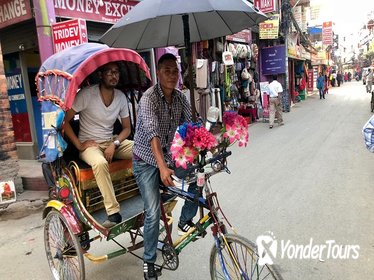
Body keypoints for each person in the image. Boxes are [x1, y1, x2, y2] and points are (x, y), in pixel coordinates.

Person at [132, 53, 198, 280]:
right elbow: (153, 135)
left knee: (198, 174)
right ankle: (149, 261)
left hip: (169, 158)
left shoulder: (180, 98)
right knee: (152, 212)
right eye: (167, 70)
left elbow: (190, 129)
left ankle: (185, 220)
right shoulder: (148, 98)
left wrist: (202, 148)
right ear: (158, 73)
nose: (172, 75)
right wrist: (161, 167)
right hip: (146, 161)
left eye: (175, 71)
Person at [64, 62, 133, 227]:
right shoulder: (86, 95)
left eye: (116, 72)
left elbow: (127, 128)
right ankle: (113, 212)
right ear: (101, 75)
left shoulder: (121, 97)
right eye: (109, 72)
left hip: (111, 142)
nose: (113, 75)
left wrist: (115, 144)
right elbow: (64, 122)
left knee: (142, 149)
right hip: (91, 146)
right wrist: (80, 145)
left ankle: (155, 189)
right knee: (100, 163)